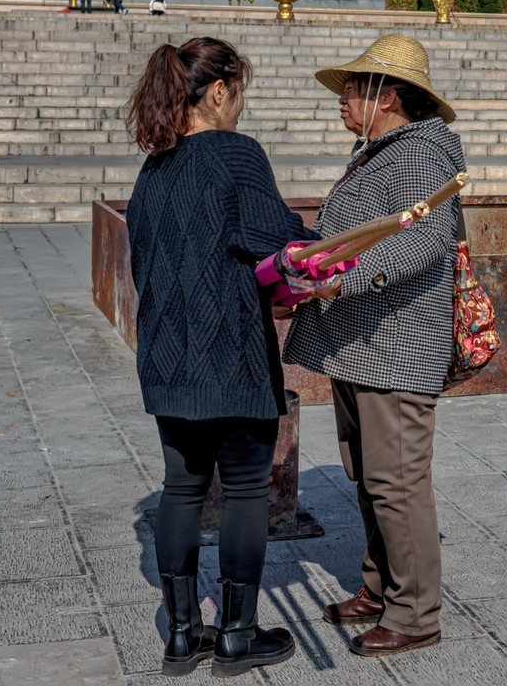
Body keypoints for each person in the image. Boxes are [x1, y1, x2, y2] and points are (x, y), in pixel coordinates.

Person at [125, 37, 328, 678]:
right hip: (230, 353)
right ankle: (237, 634)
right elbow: (276, 235)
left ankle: (183, 636)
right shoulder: (236, 154)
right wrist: (328, 246)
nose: (241, 108)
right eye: (240, 93)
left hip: (166, 355)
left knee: (180, 489)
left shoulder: (153, 167)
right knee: (243, 489)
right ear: (219, 91)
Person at [283, 34, 465, 659]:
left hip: (395, 343)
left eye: (354, 90)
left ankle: (415, 614)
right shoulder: (383, 150)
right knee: (368, 475)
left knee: (397, 482)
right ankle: (379, 587)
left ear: (387, 97)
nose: (343, 101)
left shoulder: (419, 155)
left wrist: (339, 278)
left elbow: (423, 242)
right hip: (362, 342)